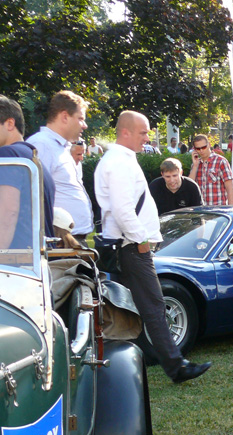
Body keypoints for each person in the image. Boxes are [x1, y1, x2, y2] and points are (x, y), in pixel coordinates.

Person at [95, 111, 212, 383]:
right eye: (143, 132)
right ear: (125, 132)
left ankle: (143, 364)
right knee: (153, 305)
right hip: (132, 247)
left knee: (132, 306)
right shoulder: (119, 162)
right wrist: (142, 242)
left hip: (128, 246)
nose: (147, 138)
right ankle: (176, 367)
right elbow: (123, 210)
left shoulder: (119, 160)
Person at [27, 90, 93, 243]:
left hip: (70, 239)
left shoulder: (61, 147)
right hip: (59, 241)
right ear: (64, 117)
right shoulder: (41, 144)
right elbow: (32, 196)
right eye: (80, 119)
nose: (85, 125)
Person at [0, 94, 55, 244]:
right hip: (36, 254)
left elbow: (8, 213)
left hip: (16, 256)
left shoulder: (8, 155)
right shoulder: (31, 157)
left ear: (10, 123)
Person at [188, 133, 233, 206]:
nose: (201, 151)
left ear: (209, 145)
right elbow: (189, 186)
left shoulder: (221, 161)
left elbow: (230, 188)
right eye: (198, 149)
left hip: (218, 208)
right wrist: (195, 166)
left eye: (204, 147)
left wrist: (231, 208)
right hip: (200, 209)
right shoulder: (195, 164)